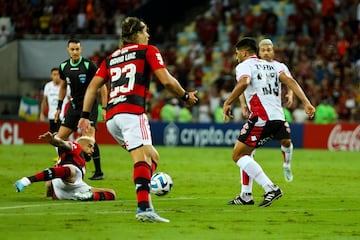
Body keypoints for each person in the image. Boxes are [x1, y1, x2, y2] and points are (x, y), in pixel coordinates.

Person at [78, 17, 198, 222]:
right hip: (132, 112)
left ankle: (145, 187)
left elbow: (92, 87)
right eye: (146, 31)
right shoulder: (148, 51)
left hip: (112, 118)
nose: (148, 35)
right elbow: (166, 80)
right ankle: (144, 208)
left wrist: (84, 116)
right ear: (137, 35)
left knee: (153, 157)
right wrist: (186, 96)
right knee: (141, 160)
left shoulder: (111, 58)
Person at [223, 37, 315, 207]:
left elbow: (244, 82)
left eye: (237, 54)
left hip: (261, 117)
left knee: (238, 155)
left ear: (243, 53)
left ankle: (270, 188)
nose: (236, 57)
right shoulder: (275, 65)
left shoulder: (244, 66)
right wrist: (307, 103)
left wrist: (228, 102)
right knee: (247, 153)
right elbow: (291, 81)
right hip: (278, 117)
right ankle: (246, 195)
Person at [238, 38, 296, 188]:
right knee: (247, 152)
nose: (266, 52)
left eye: (268, 50)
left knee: (286, 141)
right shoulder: (252, 66)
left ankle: (286, 165)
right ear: (258, 52)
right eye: (263, 50)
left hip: (275, 114)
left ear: (273, 51)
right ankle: (247, 192)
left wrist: (290, 94)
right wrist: (243, 104)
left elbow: (290, 82)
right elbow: (242, 85)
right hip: (262, 115)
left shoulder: (279, 66)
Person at [54, 39, 108, 180]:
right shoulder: (64, 67)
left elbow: (102, 86)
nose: (75, 52)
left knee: (89, 140)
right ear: (68, 50)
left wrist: (104, 107)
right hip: (74, 107)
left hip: (89, 107)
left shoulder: (88, 66)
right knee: (60, 138)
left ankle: (98, 172)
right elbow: (63, 87)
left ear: (81, 49)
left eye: (77, 49)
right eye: (72, 49)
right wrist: (59, 107)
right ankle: (64, 165)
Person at [14, 131, 116, 201]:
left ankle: (88, 196)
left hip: (69, 191)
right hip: (66, 179)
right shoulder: (76, 146)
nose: (93, 151)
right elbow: (62, 144)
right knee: (71, 170)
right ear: (82, 144)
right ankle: (27, 180)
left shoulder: (80, 160)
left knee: (112, 193)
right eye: (90, 146)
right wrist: (53, 140)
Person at [40, 67, 71, 133]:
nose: (56, 76)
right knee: (53, 136)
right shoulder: (48, 86)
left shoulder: (66, 86)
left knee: (61, 136)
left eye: (58, 74)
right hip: (51, 115)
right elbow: (44, 101)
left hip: (63, 116)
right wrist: (42, 113)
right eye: (54, 74)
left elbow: (71, 100)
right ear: (51, 76)